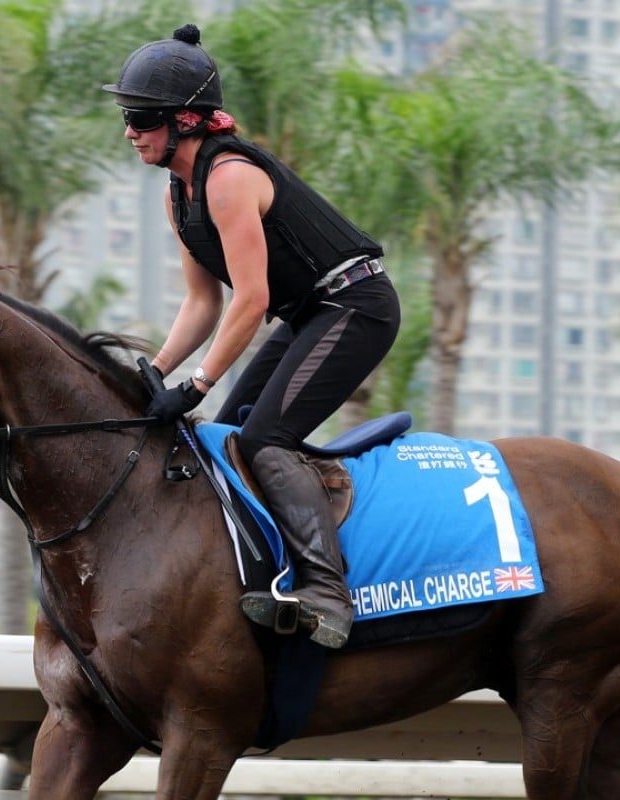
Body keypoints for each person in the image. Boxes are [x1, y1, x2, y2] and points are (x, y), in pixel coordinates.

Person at [103, 24, 401, 649]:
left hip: (357, 304)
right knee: (233, 432)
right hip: (312, 312)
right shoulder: (177, 195)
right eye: (127, 117)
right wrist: (153, 371)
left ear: (185, 121)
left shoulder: (229, 178)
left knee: (266, 439)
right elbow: (203, 301)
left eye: (140, 118)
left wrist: (197, 383)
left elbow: (254, 298)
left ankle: (327, 593)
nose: (129, 131)